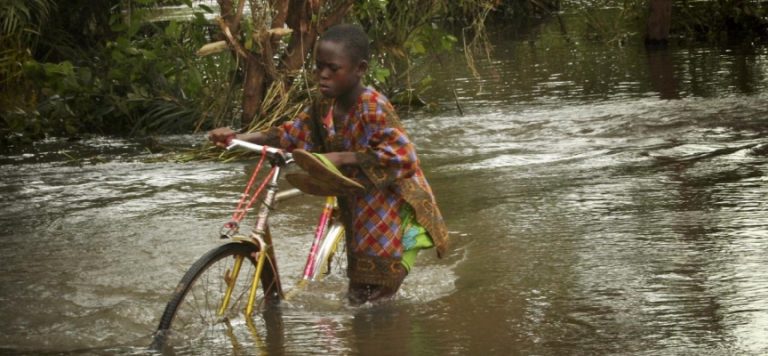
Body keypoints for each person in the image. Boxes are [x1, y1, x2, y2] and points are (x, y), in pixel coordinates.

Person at [208, 24, 448, 305]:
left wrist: (344, 157)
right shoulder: (323, 105)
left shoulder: (373, 106)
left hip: (393, 206)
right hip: (359, 201)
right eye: (319, 67)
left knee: (377, 300)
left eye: (333, 68)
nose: (323, 75)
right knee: (358, 294)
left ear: (359, 69)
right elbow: (288, 134)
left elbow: (405, 157)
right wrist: (237, 138)